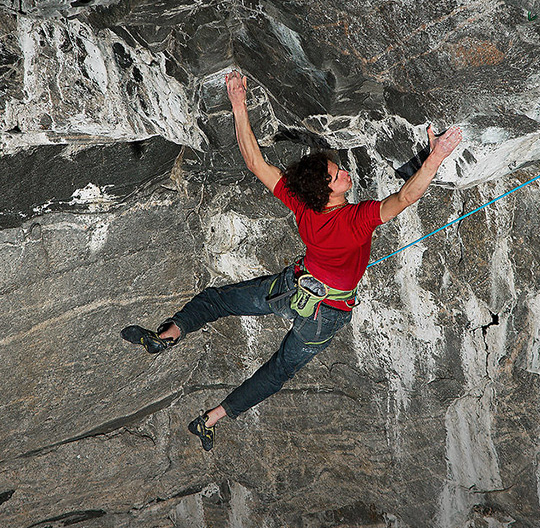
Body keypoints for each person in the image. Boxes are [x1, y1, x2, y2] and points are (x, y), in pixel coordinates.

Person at [121, 69, 462, 451]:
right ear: (328, 190)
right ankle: (211, 418)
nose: (346, 172)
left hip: (292, 289)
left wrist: (238, 104)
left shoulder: (304, 206)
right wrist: (436, 157)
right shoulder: (356, 219)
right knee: (279, 369)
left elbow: (254, 162)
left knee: (216, 301)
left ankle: (168, 336)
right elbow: (405, 198)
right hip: (325, 312)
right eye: (339, 174)